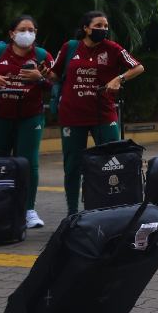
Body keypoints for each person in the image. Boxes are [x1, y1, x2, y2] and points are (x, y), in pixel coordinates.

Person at [0, 15, 55, 229]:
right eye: (23, 29)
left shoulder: (43, 56)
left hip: (30, 117)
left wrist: (40, 79)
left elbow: (58, 84)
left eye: (32, 30)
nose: (28, 34)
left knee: (29, 162)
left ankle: (28, 209)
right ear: (11, 33)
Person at [53, 11, 144, 217]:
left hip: (103, 114)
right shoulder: (70, 48)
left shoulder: (112, 49)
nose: (103, 29)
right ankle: (73, 212)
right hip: (72, 115)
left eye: (105, 26)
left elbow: (138, 67)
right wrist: (40, 73)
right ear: (86, 28)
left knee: (113, 160)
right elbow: (54, 74)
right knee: (72, 165)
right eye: (98, 25)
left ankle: (113, 206)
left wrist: (119, 78)